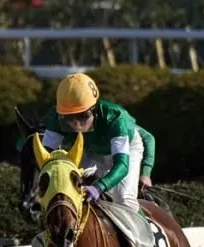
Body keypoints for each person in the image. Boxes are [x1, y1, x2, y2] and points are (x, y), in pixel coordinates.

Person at [40, 73, 148, 213]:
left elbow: (122, 165)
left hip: (128, 150)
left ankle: (144, 232)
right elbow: (45, 158)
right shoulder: (55, 118)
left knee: (123, 198)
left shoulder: (115, 118)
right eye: (69, 118)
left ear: (94, 109)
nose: (76, 124)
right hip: (91, 149)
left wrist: (99, 186)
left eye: (83, 116)